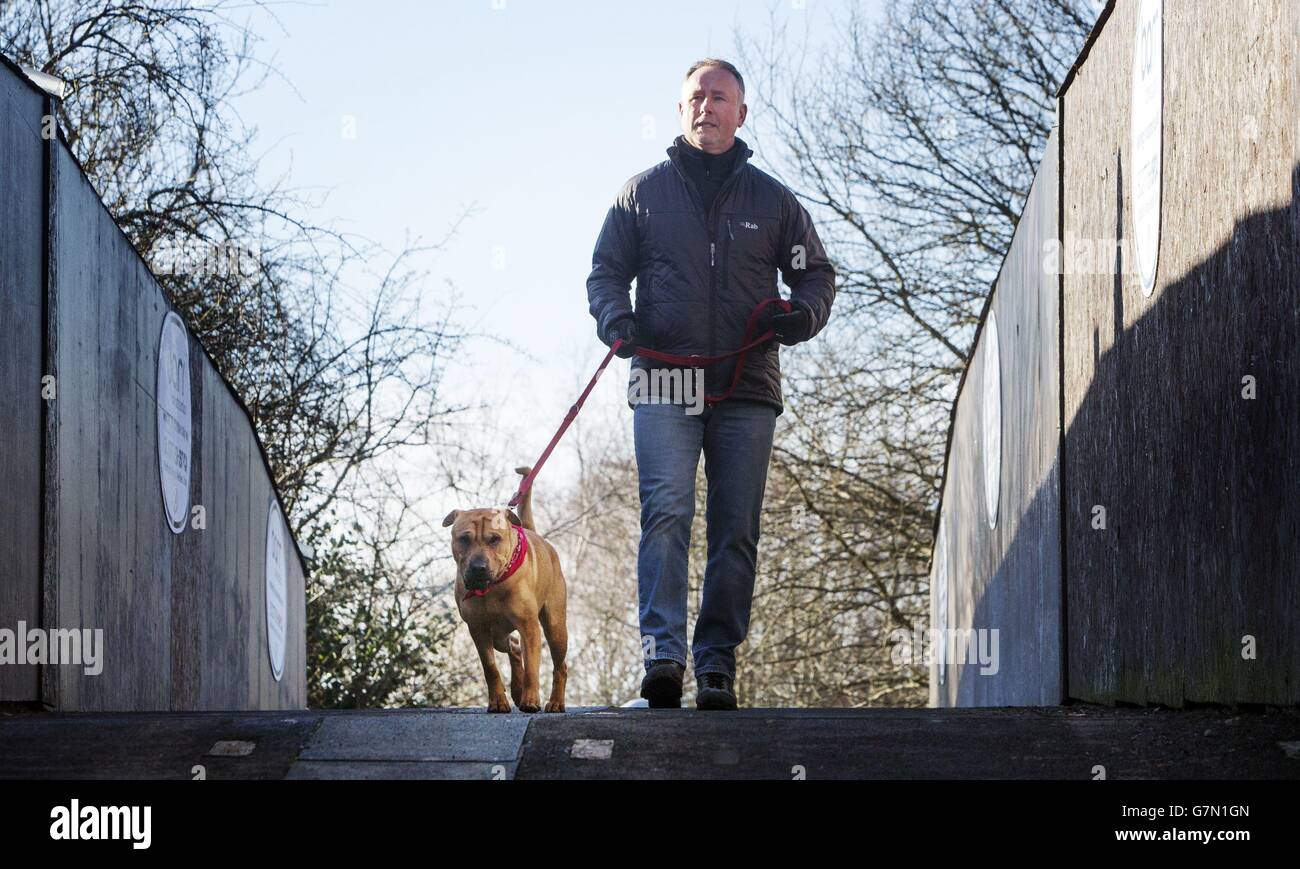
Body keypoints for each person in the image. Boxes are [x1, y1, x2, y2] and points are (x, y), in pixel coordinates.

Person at [586, 58, 836, 709]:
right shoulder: (640, 195)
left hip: (746, 384)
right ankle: (663, 657)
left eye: (719, 97)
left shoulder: (774, 201)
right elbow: (606, 273)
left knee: (735, 526)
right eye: (696, 97)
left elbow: (817, 275)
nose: (707, 107)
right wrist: (617, 319)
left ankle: (717, 662)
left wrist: (801, 314)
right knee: (665, 510)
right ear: (680, 109)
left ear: (740, 113)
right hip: (665, 377)